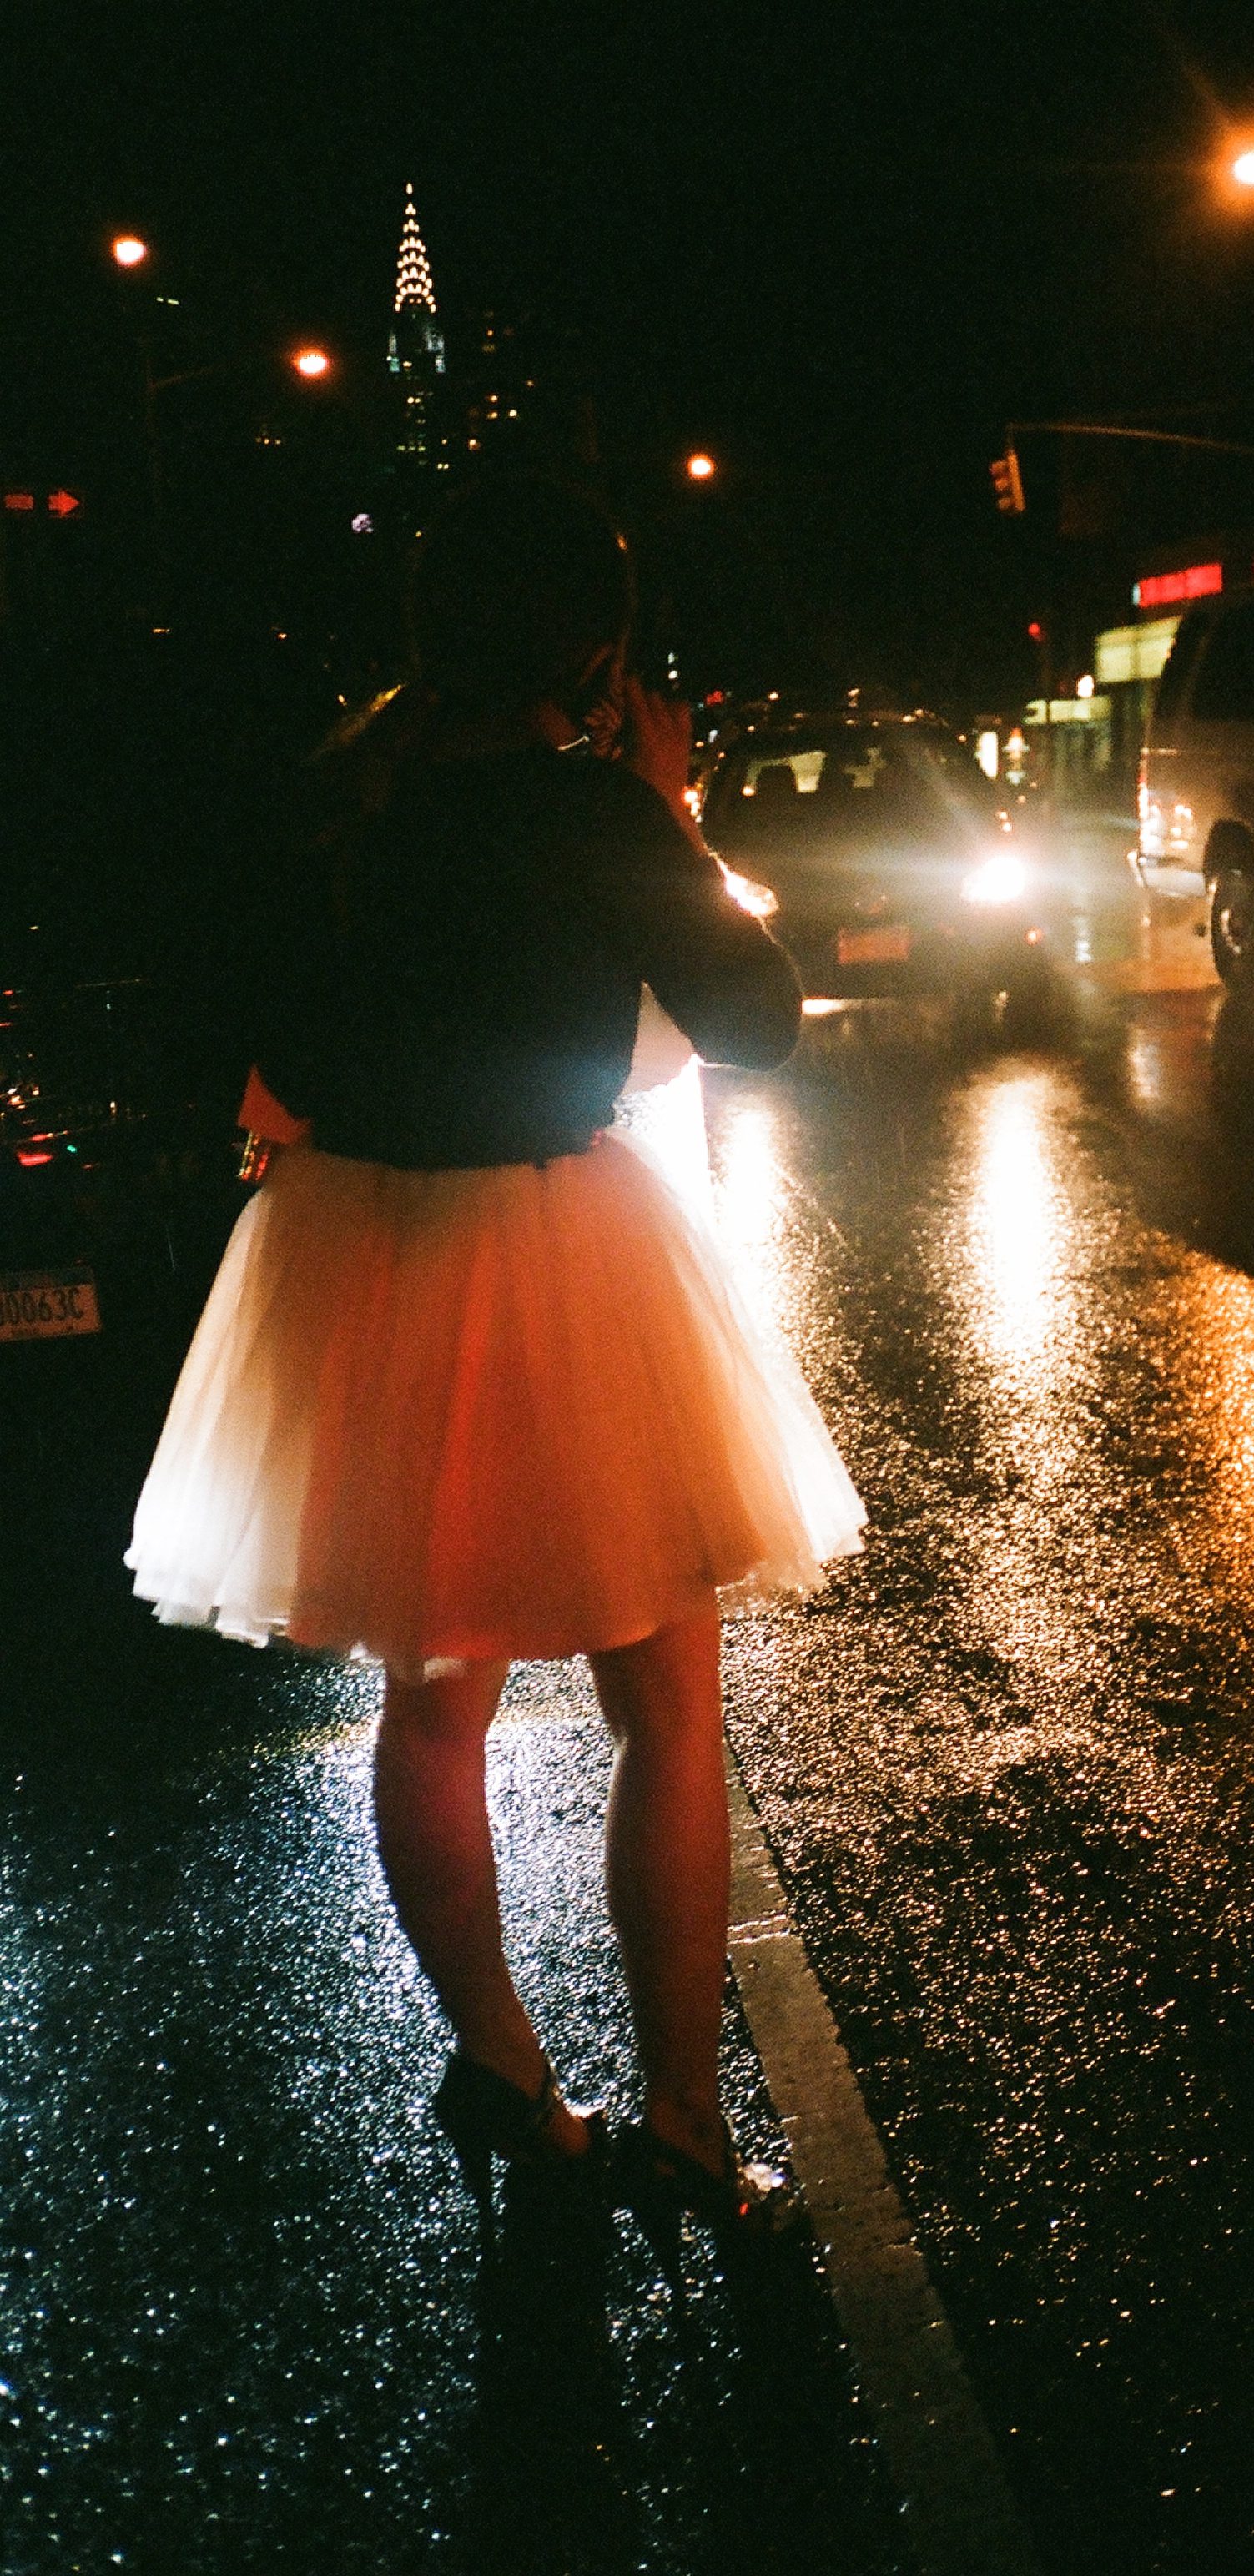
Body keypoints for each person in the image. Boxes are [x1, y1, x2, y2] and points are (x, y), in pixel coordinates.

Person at [126, 475, 865, 2239]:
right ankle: (686, 2120)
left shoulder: (332, 804)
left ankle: (512, 2074)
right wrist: (666, 807)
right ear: (597, 652)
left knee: (433, 1691)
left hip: (365, 1252)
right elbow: (755, 1021)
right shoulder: (591, 805)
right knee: (662, 1697)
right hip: (559, 1246)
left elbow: (251, 1039)